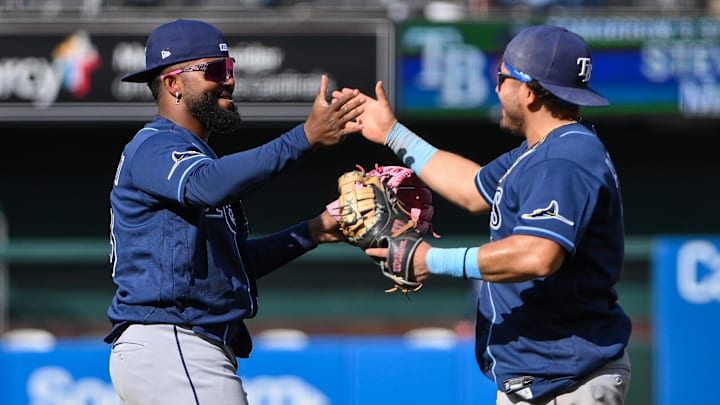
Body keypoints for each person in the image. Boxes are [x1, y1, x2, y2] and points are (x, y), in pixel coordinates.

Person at [348, 25, 632, 404]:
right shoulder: (543, 150)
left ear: (528, 92)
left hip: (567, 381)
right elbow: (472, 188)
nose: (496, 88)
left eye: (502, 77)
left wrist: (432, 260)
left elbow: (537, 254)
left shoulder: (564, 159)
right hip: (548, 378)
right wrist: (393, 134)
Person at [105, 19, 364, 405]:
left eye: (230, 69)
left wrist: (314, 231)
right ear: (173, 83)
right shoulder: (153, 146)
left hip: (182, 347)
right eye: (214, 70)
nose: (228, 80)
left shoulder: (198, 157)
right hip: (172, 341)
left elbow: (232, 267)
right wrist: (305, 136)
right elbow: (207, 184)